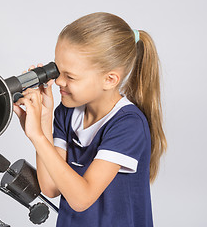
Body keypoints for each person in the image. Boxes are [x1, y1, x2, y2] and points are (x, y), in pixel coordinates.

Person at [13, 12, 167, 227]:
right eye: (58, 70)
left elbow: (81, 199)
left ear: (109, 79)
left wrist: (38, 137)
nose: (58, 81)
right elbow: (51, 187)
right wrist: (44, 122)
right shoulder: (66, 113)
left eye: (70, 76)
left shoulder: (128, 124)